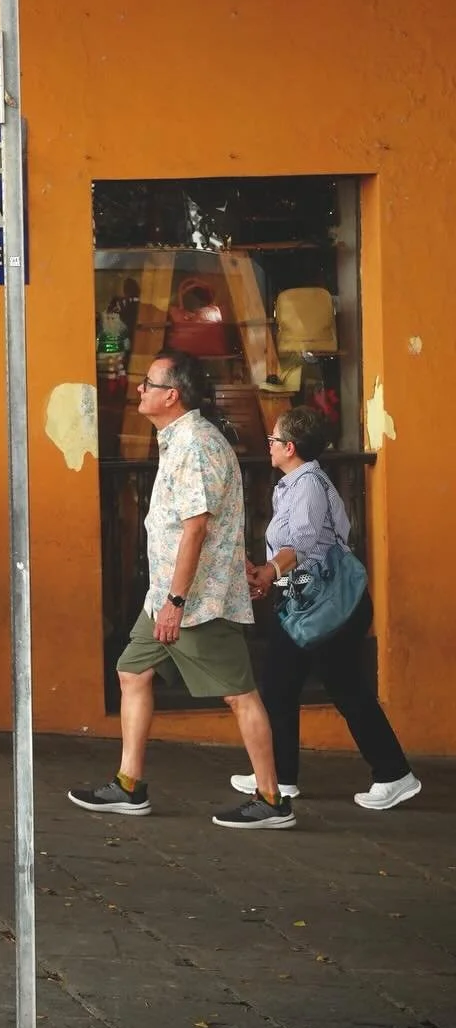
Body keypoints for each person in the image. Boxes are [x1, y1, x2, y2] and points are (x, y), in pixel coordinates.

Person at [68, 350, 294, 830]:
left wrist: (175, 602)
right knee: (133, 672)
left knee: (240, 694)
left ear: (171, 395)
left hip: (194, 602)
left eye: (147, 383)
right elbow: (217, 522)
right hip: (167, 597)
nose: (139, 390)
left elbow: (196, 528)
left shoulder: (194, 444)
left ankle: (272, 798)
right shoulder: (180, 440)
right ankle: (129, 787)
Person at [238, 406, 420, 811]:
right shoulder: (294, 484)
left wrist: (270, 573)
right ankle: (384, 773)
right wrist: (273, 579)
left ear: (289, 446)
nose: (267, 445)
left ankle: (285, 778)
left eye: (272, 439)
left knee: (285, 683)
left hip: (329, 605)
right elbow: (304, 557)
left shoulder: (306, 485)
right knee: (319, 686)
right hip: (319, 601)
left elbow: (301, 545)